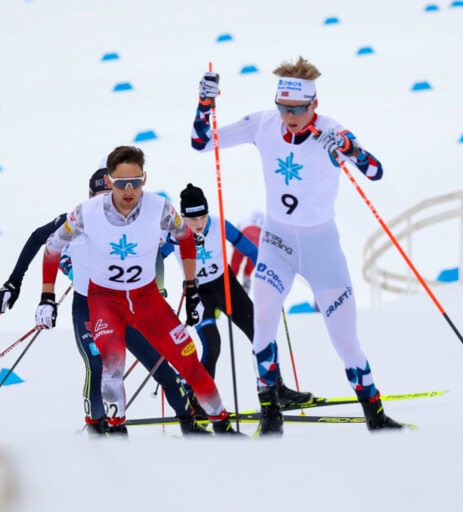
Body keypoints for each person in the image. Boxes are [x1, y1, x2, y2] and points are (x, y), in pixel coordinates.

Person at [191, 56, 403, 435]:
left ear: (314, 105)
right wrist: (205, 103)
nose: (289, 116)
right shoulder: (262, 124)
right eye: (283, 107)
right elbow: (201, 143)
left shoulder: (330, 131)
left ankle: (376, 415)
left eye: (298, 109)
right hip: (277, 245)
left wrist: (348, 147)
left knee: (346, 341)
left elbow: (375, 171)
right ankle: (271, 415)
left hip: (322, 251)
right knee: (263, 328)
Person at [35, 146, 239, 436]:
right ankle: (117, 433)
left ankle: (221, 425)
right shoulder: (86, 213)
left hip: (147, 300)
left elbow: (185, 237)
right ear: (109, 181)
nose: (128, 190)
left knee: (188, 361)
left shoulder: (160, 207)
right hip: (105, 300)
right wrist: (47, 297)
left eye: (136, 182)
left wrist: (191, 285)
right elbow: (52, 247)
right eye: (120, 183)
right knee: (111, 367)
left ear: (145, 177)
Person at [0, 167, 209, 437]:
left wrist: (188, 240)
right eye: (100, 197)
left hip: (127, 306)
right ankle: (97, 427)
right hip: (88, 307)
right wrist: (16, 282)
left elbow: (167, 235)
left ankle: (189, 423)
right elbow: (39, 237)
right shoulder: (78, 219)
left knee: (159, 364)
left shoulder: (134, 217)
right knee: (98, 364)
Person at [161, 184, 312, 416]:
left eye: (202, 216)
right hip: (199, 293)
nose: (199, 223)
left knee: (261, 333)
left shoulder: (219, 224)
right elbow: (154, 262)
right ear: (183, 217)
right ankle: (198, 401)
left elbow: (251, 251)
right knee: (212, 346)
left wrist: (270, 270)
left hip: (227, 286)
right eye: (192, 219)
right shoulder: (175, 234)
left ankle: (276, 389)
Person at [230, 211, 264, 294]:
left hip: (242, 242)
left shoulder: (245, 220)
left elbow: (236, 231)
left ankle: (230, 282)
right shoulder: (265, 224)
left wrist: (233, 244)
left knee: (235, 265)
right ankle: (246, 282)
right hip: (256, 246)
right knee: (249, 268)